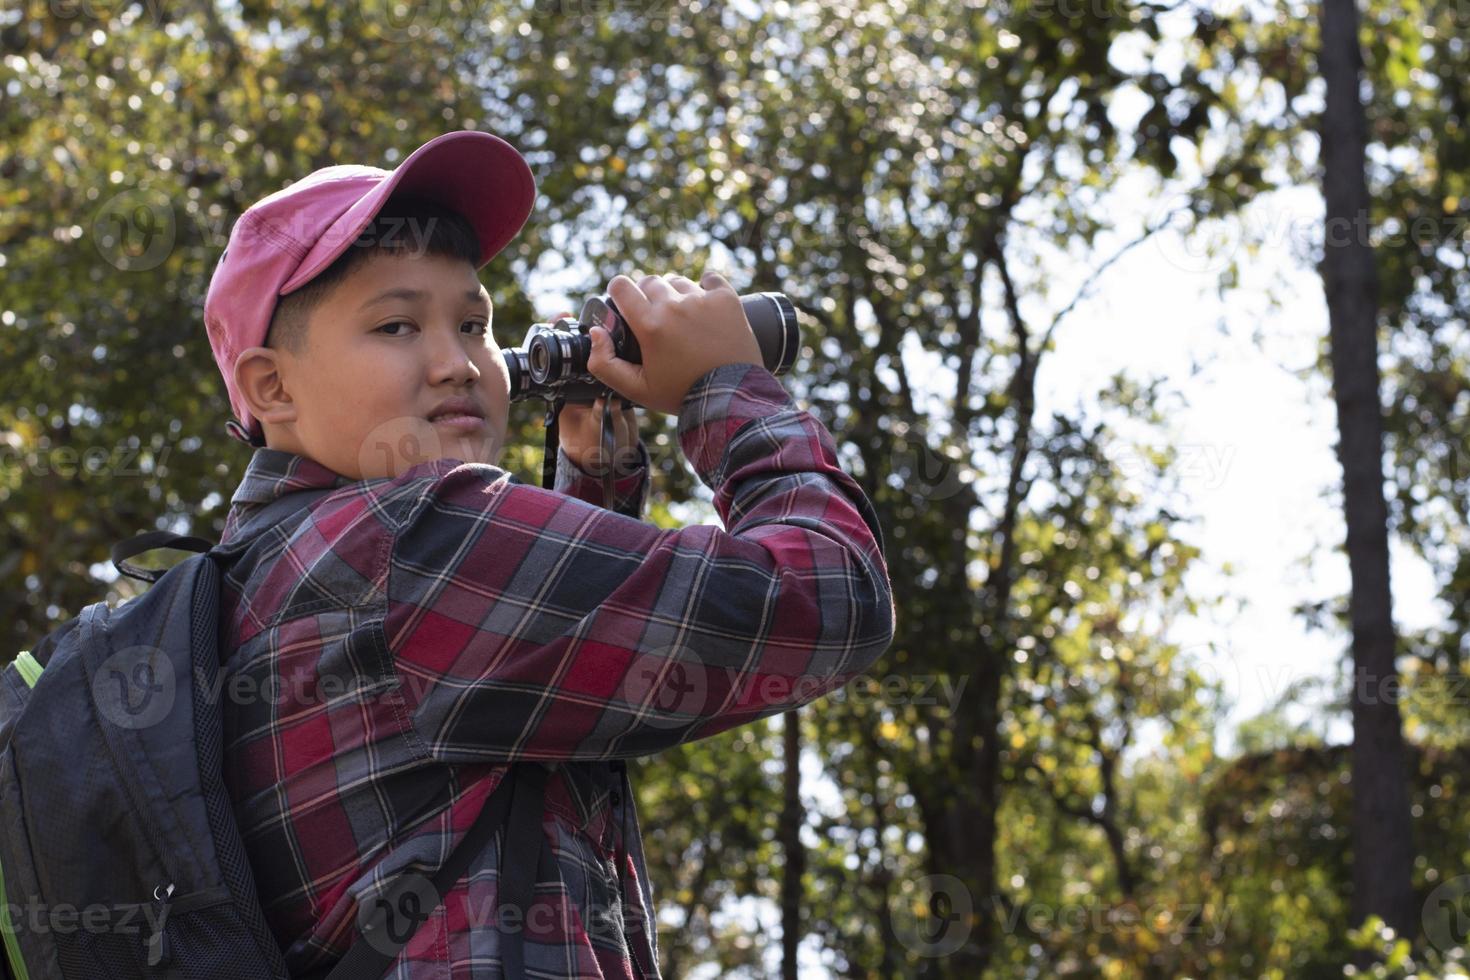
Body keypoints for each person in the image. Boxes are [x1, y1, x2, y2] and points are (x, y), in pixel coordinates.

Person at [202, 129, 895, 978]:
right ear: (271, 386)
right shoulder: (407, 540)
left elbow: (495, 730)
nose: (458, 363)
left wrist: (595, 464)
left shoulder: (255, 578)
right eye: (395, 325)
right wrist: (726, 389)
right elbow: (828, 597)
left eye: (475, 322)